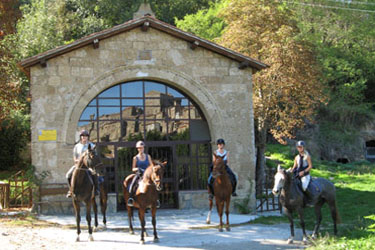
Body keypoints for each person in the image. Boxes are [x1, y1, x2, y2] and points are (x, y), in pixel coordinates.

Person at [66, 129, 99, 198]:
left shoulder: (92, 145)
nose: (84, 137)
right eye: (83, 136)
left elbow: (94, 156)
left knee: (94, 173)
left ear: (88, 137)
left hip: (88, 166)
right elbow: (74, 157)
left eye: (86, 136)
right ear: (81, 137)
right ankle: (70, 190)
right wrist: (78, 161)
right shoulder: (77, 146)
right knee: (68, 174)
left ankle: (96, 189)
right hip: (78, 165)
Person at [127, 140, 160, 208]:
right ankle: (131, 198)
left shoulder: (148, 157)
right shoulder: (135, 158)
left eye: (142, 148)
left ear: (144, 148)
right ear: (137, 149)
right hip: (139, 174)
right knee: (132, 183)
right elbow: (133, 168)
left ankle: (156, 200)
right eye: (139, 148)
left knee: (156, 183)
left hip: (148, 175)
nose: (141, 149)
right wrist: (138, 169)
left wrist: (151, 170)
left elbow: (152, 166)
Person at [291, 140, 315, 205]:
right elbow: (294, 166)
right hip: (298, 174)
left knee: (304, 187)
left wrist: (304, 172)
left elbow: (310, 166)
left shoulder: (307, 156)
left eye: (301, 147)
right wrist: (291, 170)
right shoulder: (296, 157)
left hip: (305, 175)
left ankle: (310, 199)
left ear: (303, 147)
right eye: (298, 147)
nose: (299, 148)